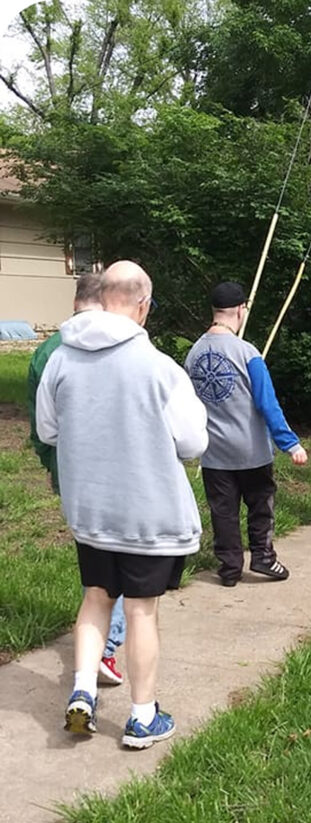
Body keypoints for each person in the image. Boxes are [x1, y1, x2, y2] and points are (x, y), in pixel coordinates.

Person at [36, 260, 208, 748]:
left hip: (91, 511)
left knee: (96, 597)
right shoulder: (159, 367)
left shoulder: (61, 359)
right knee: (140, 612)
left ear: (101, 296)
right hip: (147, 515)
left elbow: (48, 430)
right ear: (143, 305)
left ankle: (82, 693)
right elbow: (193, 442)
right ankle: (142, 716)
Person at [27, 273, 127, 685]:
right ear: (106, 302)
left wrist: (53, 465)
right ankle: (106, 645)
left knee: (93, 558)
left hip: (68, 472)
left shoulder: (45, 352)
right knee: (118, 560)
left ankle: (98, 642)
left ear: (74, 301)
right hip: (112, 471)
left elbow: (40, 426)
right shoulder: (115, 344)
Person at [184, 281, 307, 586]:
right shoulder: (247, 352)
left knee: (223, 512)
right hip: (252, 451)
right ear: (241, 310)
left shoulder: (193, 354)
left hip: (214, 453)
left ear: (214, 310)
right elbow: (267, 403)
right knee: (260, 505)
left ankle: (229, 568)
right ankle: (263, 557)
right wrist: (290, 443)